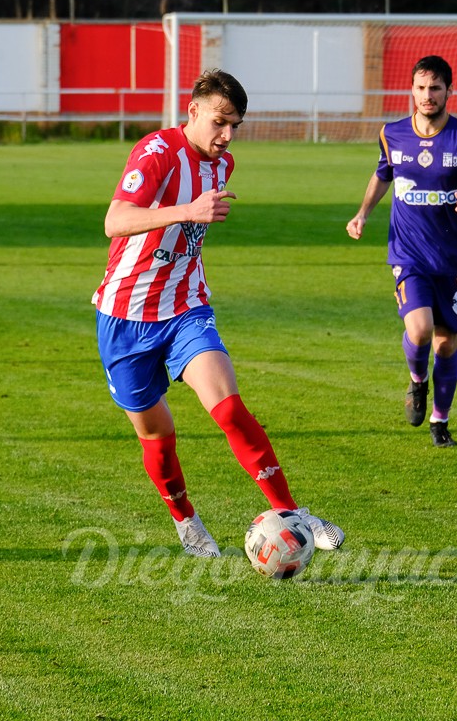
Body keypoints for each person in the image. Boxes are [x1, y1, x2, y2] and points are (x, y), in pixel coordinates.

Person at [94, 68, 344, 557]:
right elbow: (115, 221)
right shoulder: (156, 152)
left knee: (228, 407)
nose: (227, 136)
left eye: (236, 126)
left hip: (186, 306)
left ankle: (295, 514)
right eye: (219, 122)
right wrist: (187, 210)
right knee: (157, 434)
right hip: (125, 316)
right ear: (193, 111)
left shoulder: (221, 165)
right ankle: (185, 521)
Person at [346, 55, 457, 448]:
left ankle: (440, 420)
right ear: (411, 90)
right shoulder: (392, 134)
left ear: (450, 90)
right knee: (418, 331)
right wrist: (363, 213)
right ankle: (418, 383)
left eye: (435, 88)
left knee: (446, 343)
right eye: (420, 88)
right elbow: (383, 174)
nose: (427, 95)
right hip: (408, 256)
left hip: (455, 262)